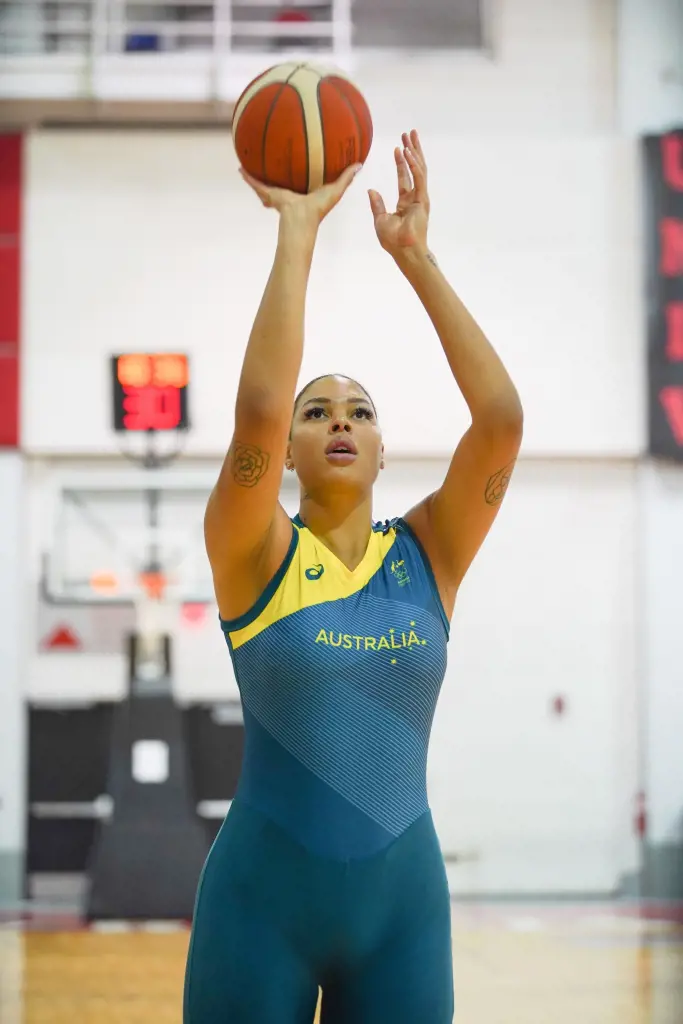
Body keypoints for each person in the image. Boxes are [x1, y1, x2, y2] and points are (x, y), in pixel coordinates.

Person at [184, 130, 523, 1023]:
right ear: (287, 451)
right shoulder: (251, 550)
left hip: (401, 910)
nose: (339, 420)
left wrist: (415, 259)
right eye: (317, 412)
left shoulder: (428, 553)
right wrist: (298, 228)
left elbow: (499, 420)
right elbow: (256, 406)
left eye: (359, 412)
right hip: (261, 906)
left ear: (379, 448)